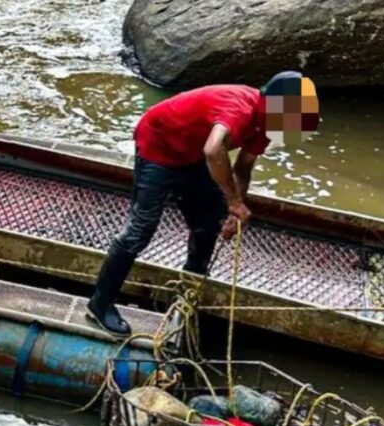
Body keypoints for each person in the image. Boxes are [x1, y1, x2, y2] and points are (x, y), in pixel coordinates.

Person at [86, 71, 320, 334]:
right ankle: (100, 304)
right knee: (140, 229)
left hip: (192, 154)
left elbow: (243, 167)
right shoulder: (240, 108)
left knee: (208, 224)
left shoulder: (267, 126)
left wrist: (234, 209)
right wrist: (233, 200)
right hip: (158, 144)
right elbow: (213, 149)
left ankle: (187, 296)